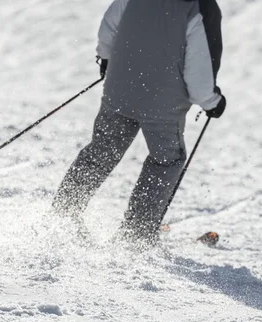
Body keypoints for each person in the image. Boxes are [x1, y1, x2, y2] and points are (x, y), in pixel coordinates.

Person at [52, 0, 227, 247]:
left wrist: (105, 57)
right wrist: (211, 101)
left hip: (120, 88)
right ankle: (136, 234)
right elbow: (199, 67)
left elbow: (109, 25)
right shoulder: (200, 7)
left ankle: (62, 213)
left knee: (101, 152)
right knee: (166, 161)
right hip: (163, 103)